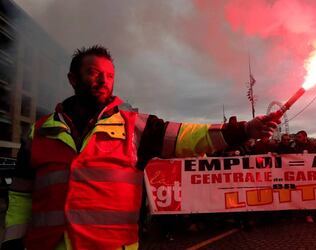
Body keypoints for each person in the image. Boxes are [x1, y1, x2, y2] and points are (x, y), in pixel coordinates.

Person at [1, 45, 278, 250]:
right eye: (93, 73)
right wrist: (12, 242)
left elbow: (190, 137)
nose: (102, 81)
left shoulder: (135, 127)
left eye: (109, 76)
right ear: (72, 79)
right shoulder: (40, 131)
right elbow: (21, 194)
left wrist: (244, 130)